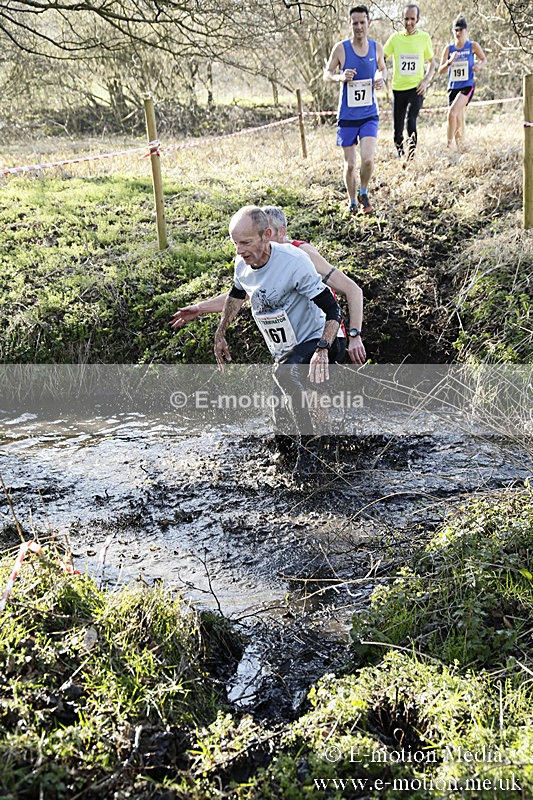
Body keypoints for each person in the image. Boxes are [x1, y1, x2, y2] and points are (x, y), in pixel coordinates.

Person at [171, 206, 366, 365]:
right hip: (289, 344)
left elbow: (351, 290)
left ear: (276, 233)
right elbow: (246, 293)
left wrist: (354, 335)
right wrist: (200, 308)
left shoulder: (300, 256)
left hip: (323, 335)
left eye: (268, 233)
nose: (241, 250)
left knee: (291, 376)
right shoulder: (251, 260)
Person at [324, 5, 386, 215]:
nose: (359, 27)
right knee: (350, 165)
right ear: (349, 24)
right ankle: (352, 202)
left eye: (362, 22)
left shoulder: (377, 48)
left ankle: (363, 191)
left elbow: (382, 69)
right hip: (347, 116)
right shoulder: (341, 49)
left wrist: (381, 78)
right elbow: (326, 73)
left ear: (369, 23)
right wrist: (340, 77)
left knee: (367, 159)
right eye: (355, 23)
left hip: (369, 114)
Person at [383, 4, 436, 159]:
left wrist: (425, 81)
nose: (409, 22)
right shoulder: (395, 38)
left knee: (410, 119)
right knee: (397, 129)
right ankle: (401, 155)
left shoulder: (424, 38)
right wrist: (380, 74)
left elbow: (432, 63)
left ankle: (411, 156)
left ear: (417, 19)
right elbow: (381, 58)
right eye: (406, 19)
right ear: (402, 19)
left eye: (412, 19)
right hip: (398, 89)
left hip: (416, 88)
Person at [438, 16, 487, 149]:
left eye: (461, 30)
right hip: (453, 87)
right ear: (453, 31)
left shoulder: (472, 46)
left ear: (466, 30)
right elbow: (440, 71)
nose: (458, 33)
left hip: (467, 85)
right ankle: (460, 149)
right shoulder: (448, 49)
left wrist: (479, 66)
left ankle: (448, 146)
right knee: (458, 120)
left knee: (452, 112)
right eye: (456, 30)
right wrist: (449, 62)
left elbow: (484, 59)